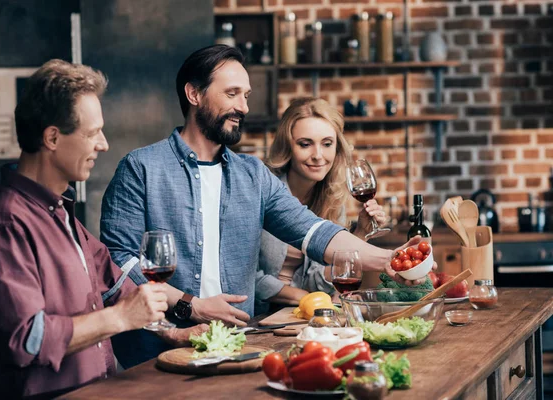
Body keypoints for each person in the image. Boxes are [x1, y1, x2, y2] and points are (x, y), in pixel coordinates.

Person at [100, 45, 425, 368]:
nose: (243, 106)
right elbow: (119, 261)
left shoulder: (252, 175)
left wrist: (388, 260)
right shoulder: (141, 168)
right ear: (194, 94)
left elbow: (314, 231)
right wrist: (191, 305)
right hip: (156, 351)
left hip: (236, 347)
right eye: (232, 93)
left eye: (246, 95)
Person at [0, 59, 205, 400]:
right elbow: (26, 341)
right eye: (92, 133)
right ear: (52, 137)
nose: (103, 144)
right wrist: (120, 318)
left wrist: (171, 331)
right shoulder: (7, 224)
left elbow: (116, 287)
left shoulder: (61, 212)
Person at [255, 97, 387, 313]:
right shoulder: (262, 191)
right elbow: (246, 277)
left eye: (327, 144)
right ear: (287, 146)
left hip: (300, 315)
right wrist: (308, 299)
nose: (318, 156)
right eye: (305, 144)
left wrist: (361, 233)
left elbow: (318, 276)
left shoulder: (332, 198)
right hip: (257, 315)